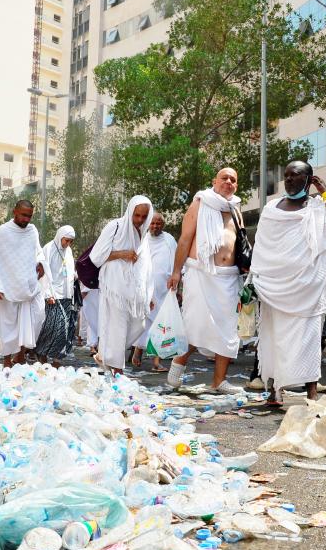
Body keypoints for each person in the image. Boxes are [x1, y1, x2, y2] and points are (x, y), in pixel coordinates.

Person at [252, 161, 326, 406]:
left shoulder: (317, 208)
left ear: (309, 179)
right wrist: (257, 278)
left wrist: (325, 192)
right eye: (287, 175)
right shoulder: (271, 209)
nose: (289, 180)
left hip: (307, 287)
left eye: (295, 176)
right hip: (275, 286)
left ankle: (311, 394)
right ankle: (275, 392)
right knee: (275, 338)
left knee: (309, 340)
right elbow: (262, 248)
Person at [167, 168, 246, 394]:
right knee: (195, 323)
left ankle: (218, 381)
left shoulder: (235, 209)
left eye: (233, 179)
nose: (229, 182)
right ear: (214, 181)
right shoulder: (200, 203)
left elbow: (239, 242)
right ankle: (179, 363)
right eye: (224, 178)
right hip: (201, 273)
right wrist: (176, 272)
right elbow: (184, 240)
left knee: (227, 328)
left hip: (228, 278)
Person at [91, 196, 155, 374]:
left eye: (144, 216)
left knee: (139, 325)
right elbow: (96, 256)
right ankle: (117, 370)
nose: (140, 220)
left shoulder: (144, 233)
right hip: (115, 286)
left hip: (135, 291)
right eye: (137, 215)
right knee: (118, 327)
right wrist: (123, 254)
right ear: (130, 211)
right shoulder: (115, 226)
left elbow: (147, 266)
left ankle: (105, 354)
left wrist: (148, 294)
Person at [0, 200, 47, 368]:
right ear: (15, 212)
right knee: (8, 324)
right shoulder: (3, 231)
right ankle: (7, 360)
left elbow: (38, 251)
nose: (26, 219)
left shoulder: (32, 231)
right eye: (23, 215)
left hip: (28, 284)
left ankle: (21, 354)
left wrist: (41, 262)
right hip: (7, 285)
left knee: (37, 318)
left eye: (29, 216)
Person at [132, 213, 178, 371]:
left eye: (158, 224)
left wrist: (177, 282)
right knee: (145, 321)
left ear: (163, 225)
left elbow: (177, 262)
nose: (155, 226)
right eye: (152, 223)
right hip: (146, 288)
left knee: (161, 324)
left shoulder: (169, 240)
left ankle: (155, 361)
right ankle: (138, 350)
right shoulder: (142, 239)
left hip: (165, 289)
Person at [34, 225, 78, 367]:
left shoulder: (68, 251)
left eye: (71, 241)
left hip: (66, 294)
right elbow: (44, 273)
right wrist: (48, 294)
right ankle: (41, 351)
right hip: (52, 294)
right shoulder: (49, 249)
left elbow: (69, 271)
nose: (68, 244)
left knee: (65, 328)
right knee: (53, 327)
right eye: (66, 240)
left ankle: (57, 359)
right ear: (60, 237)